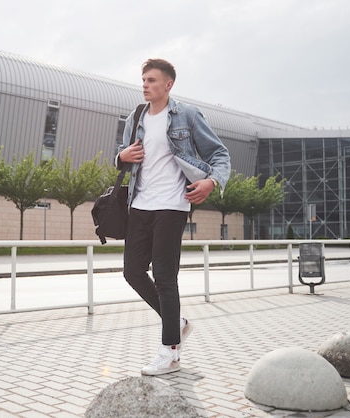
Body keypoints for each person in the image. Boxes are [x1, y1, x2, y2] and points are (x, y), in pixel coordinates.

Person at [116, 58, 231, 375]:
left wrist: (212, 181)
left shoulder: (188, 115)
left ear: (168, 85)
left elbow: (219, 154)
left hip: (172, 205)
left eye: (152, 80)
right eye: (143, 79)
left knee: (166, 278)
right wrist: (121, 156)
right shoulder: (136, 117)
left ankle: (170, 353)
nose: (145, 85)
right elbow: (123, 156)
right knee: (132, 272)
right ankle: (177, 323)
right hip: (139, 205)